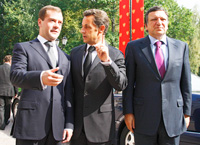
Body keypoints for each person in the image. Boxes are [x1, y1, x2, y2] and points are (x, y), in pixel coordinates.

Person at [123, 6, 192, 145]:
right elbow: (128, 84)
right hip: (143, 118)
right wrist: (128, 112)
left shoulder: (181, 47)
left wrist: (186, 113)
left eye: (162, 19)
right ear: (146, 26)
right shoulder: (134, 47)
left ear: (167, 23)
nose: (159, 22)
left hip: (174, 117)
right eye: (154, 19)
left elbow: (186, 83)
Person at [10, 5, 73, 145]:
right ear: (40, 22)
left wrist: (69, 124)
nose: (57, 25)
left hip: (57, 129)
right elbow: (15, 76)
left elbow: (68, 94)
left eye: (60, 22)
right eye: (52, 20)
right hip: (30, 126)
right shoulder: (23, 48)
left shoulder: (65, 57)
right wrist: (40, 77)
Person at [70, 9, 127, 145]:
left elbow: (121, 84)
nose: (82, 31)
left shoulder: (115, 55)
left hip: (102, 130)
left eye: (87, 27)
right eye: (82, 26)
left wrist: (107, 62)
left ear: (100, 29)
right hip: (77, 130)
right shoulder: (74, 53)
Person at [0, 55, 18, 130]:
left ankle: (1, 124)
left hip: (0, 90)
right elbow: (15, 81)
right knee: (8, 106)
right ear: (10, 61)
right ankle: (6, 120)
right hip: (9, 91)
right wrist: (16, 92)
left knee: (1, 107)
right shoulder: (12, 69)